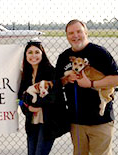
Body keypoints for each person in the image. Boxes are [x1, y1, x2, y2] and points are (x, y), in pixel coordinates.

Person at [55, 19, 118, 155]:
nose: (75, 35)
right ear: (67, 36)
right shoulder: (64, 57)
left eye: (79, 31)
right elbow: (57, 83)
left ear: (86, 33)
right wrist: (67, 79)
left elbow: (116, 79)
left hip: (100, 121)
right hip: (77, 122)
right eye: (71, 33)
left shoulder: (100, 53)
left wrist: (91, 84)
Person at [18, 40, 69, 155]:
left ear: (42, 54)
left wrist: (33, 103)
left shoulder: (51, 72)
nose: (33, 56)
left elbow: (54, 97)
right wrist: (28, 108)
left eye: (37, 52)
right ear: (25, 56)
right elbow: (21, 98)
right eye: (30, 52)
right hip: (32, 121)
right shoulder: (25, 75)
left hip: (48, 122)